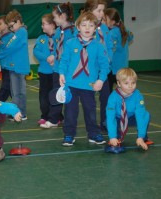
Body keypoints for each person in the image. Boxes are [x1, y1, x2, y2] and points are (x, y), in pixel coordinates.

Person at [59, 12, 109, 146]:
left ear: (95, 27)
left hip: (89, 85)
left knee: (90, 110)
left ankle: (93, 133)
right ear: (78, 27)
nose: (87, 28)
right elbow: (64, 60)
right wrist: (61, 73)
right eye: (84, 25)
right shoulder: (70, 43)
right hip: (71, 84)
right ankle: (69, 134)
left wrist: (101, 80)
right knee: (70, 111)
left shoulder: (98, 46)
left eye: (91, 25)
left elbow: (105, 66)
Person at [40, 2, 75, 128]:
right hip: (57, 68)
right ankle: (54, 119)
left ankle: (70, 119)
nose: (53, 19)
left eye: (55, 17)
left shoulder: (73, 32)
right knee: (56, 93)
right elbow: (56, 49)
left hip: (69, 69)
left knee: (70, 95)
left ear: (63, 16)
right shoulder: (57, 32)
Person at [83, 0, 113, 134]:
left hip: (104, 71)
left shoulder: (105, 28)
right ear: (90, 11)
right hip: (89, 72)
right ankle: (92, 127)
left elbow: (110, 47)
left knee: (106, 98)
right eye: (99, 10)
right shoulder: (85, 28)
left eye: (103, 10)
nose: (102, 14)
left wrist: (108, 61)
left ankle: (105, 123)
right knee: (89, 102)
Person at [106, 68, 154, 151]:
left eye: (133, 83)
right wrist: (112, 136)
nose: (130, 86)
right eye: (126, 83)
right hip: (118, 118)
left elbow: (140, 115)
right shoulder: (113, 97)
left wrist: (140, 136)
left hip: (131, 118)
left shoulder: (137, 95)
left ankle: (144, 138)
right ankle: (116, 138)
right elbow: (111, 116)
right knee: (107, 120)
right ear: (119, 83)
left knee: (146, 115)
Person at [0, 9, 30, 120]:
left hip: (19, 67)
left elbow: (11, 47)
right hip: (14, 67)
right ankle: (18, 112)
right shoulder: (17, 33)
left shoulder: (22, 32)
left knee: (19, 92)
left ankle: (21, 113)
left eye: (11, 25)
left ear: (18, 21)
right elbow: (9, 47)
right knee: (16, 92)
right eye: (9, 26)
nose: (11, 28)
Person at [33, 13, 57, 125]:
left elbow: (62, 51)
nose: (42, 26)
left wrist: (55, 57)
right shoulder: (41, 39)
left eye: (44, 24)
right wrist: (46, 57)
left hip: (56, 72)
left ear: (52, 25)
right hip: (44, 72)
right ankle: (45, 116)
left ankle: (56, 116)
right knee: (43, 96)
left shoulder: (59, 37)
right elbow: (36, 51)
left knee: (55, 96)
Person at [104, 8, 134, 92]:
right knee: (124, 92)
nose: (104, 21)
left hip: (113, 68)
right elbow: (131, 37)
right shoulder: (124, 30)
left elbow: (110, 50)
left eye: (105, 19)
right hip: (123, 67)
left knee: (108, 94)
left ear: (112, 21)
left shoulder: (111, 33)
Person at [0, 15, 14, 102]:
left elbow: (8, 51)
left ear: (7, 25)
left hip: (11, 66)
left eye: (0, 24)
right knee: (10, 88)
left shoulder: (12, 37)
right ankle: (17, 107)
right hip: (4, 66)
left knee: (6, 87)